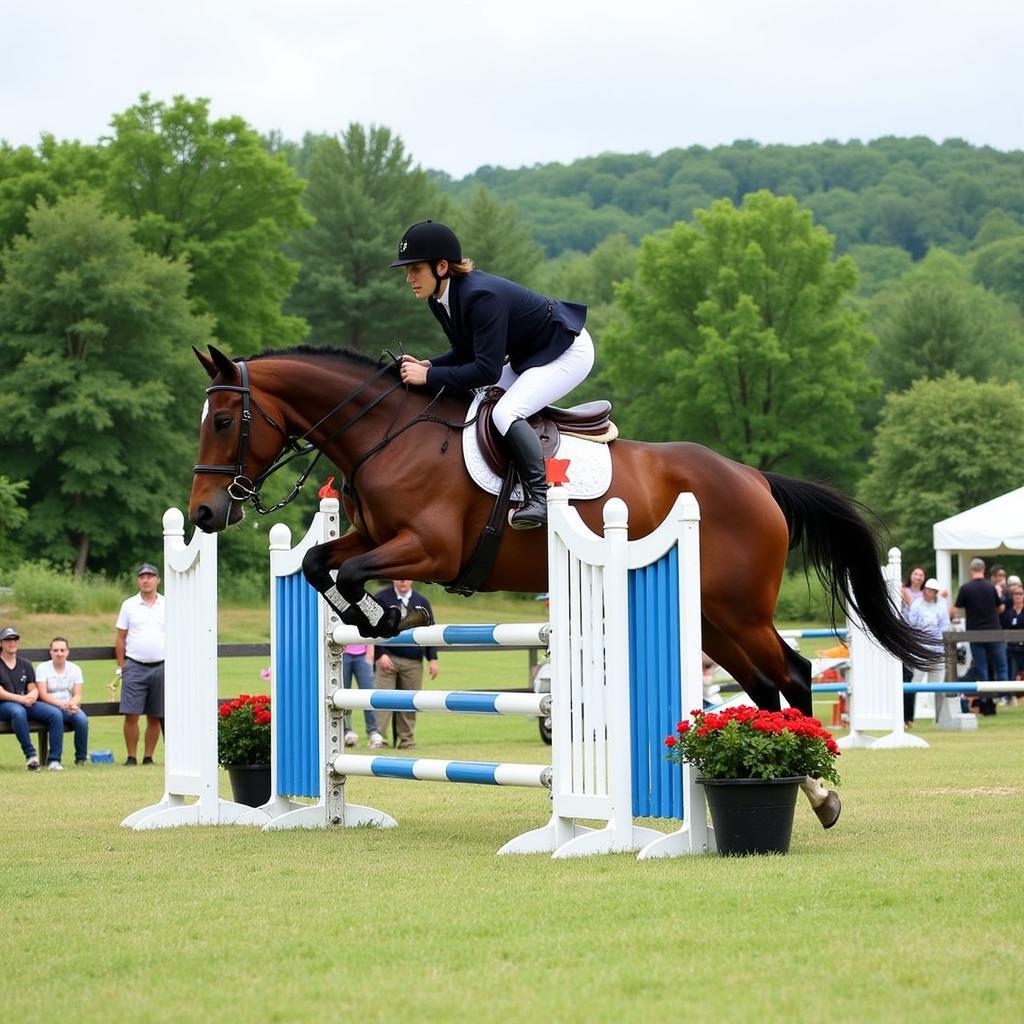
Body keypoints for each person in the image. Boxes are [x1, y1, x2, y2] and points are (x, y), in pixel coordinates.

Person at [391, 220, 592, 529]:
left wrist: (428, 378)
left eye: (415, 269)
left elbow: (485, 369)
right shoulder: (440, 299)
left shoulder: (480, 297)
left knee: (506, 412)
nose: (409, 278)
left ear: (441, 267)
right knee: (482, 403)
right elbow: (464, 352)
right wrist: (431, 366)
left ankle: (541, 498)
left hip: (567, 350)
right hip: (532, 354)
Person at [372, 580, 439, 749]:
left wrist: (432, 658)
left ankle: (407, 740)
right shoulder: (381, 598)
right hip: (388, 658)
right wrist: (380, 653)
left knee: (410, 702)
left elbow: (431, 631)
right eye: (399, 577)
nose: (403, 581)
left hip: (413, 661)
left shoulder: (422, 602)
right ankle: (379, 738)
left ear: (412, 580)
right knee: (383, 700)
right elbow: (372, 626)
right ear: (393, 579)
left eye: (407, 577)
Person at [115, 563, 165, 766]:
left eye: (150, 576)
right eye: (142, 577)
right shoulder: (129, 605)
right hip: (134, 664)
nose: (146, 580)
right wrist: (121, 665)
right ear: (138, 580)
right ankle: (131, 756)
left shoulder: (168, 604)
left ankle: (148, 757)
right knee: (131, 713)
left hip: (162, 665)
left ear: (157, 580)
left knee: (155, 714)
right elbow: (120, 637)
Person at [0, 626, 65, 770]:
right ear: (1, 643)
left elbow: (32, 686)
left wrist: (33, 695)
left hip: (26, 702)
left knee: (55, 714)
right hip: (4, 705)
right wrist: (21, 699)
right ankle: (31, 756)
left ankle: (54, 760)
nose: (12, 643)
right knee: (18, 712)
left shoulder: (25, 663)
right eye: (8, 640)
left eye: (15, 639)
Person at [34, 636, 89, 766]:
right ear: (50, 652)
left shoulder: (75, 669)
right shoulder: (43, 668)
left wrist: (73, 704)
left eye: (62, 650)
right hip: (49, 706)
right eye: (56, 650)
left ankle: (81, 758)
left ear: (67, 652)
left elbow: (78, 693)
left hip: (68, 706)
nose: (59, 653)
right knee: (57, 716)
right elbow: (42, 694)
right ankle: (54, 759)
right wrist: (62, 705)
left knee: (82, 720)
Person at [953, 557, 1008, 684]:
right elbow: (1000, 608)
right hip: (994, 631)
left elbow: (955, 609)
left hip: (975, 632)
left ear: (971, 570)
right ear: (983, 570)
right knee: (1001, 666)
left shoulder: (965, 588)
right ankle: (1005, 696)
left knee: (981, 668)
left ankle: (985, 698)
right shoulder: (990, 587)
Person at [341, 643, 385, 749]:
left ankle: (373, 731)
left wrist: (370, 651)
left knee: (368, 694)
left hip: (363, 654)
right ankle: (346, 730)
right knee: (343, 695)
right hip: (342, 653)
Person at [908, 580, 951, 687]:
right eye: (926, 589)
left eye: (931, 590)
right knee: (917, 679)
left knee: (937, 681)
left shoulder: (941, 605)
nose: (927, 592)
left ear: (935, 592)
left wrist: (939, 640)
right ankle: (913, 703)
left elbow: (945, 624)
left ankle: (935, 703)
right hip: (921, 647)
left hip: (937, 647)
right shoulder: (917, 604)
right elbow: (912, 624)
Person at [1000, 582, 1024, 683]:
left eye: (1020, 594)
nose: (1018, 596)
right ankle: (1012, 695)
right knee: (1013, 675)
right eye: (1015, 594)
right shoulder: (1008, 613)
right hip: (1012, 648)